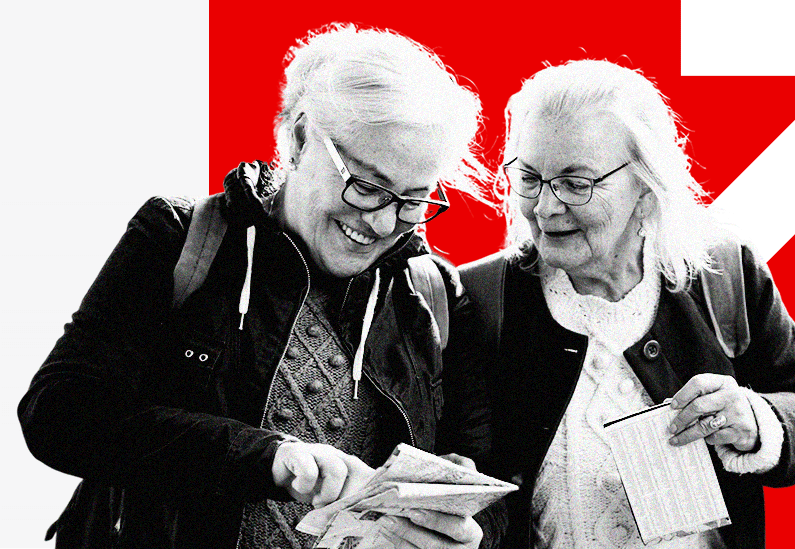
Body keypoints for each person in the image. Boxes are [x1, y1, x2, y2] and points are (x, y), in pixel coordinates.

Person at [19, 24, 503, 549]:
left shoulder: (432, 296)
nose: (384, 225)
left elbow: (493, 485)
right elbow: (61, 413)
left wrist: (461, 530)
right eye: (365, 186)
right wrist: (268, 458)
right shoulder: (179, 239)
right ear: (297, 138)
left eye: (413, 200)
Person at [460, 60, 795, 548]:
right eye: (530, 178)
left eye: (576, 184)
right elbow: (467, 478)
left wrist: (754, 420)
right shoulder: (478, 298)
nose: (544, 207)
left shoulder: (721, 274)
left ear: (646, 186)